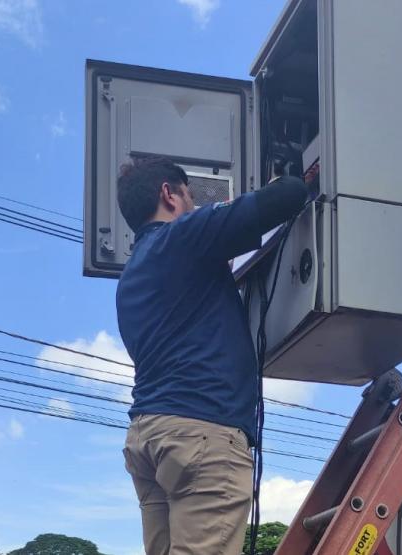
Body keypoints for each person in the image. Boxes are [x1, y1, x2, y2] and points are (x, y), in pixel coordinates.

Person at [116, 156, 308, 555]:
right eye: (189, 195)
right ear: (169, 194)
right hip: (200, 433)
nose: (193, 205)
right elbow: (288, 197)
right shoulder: (183, 236)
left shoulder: (133, 272)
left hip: (149, 436)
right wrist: (283, 178)